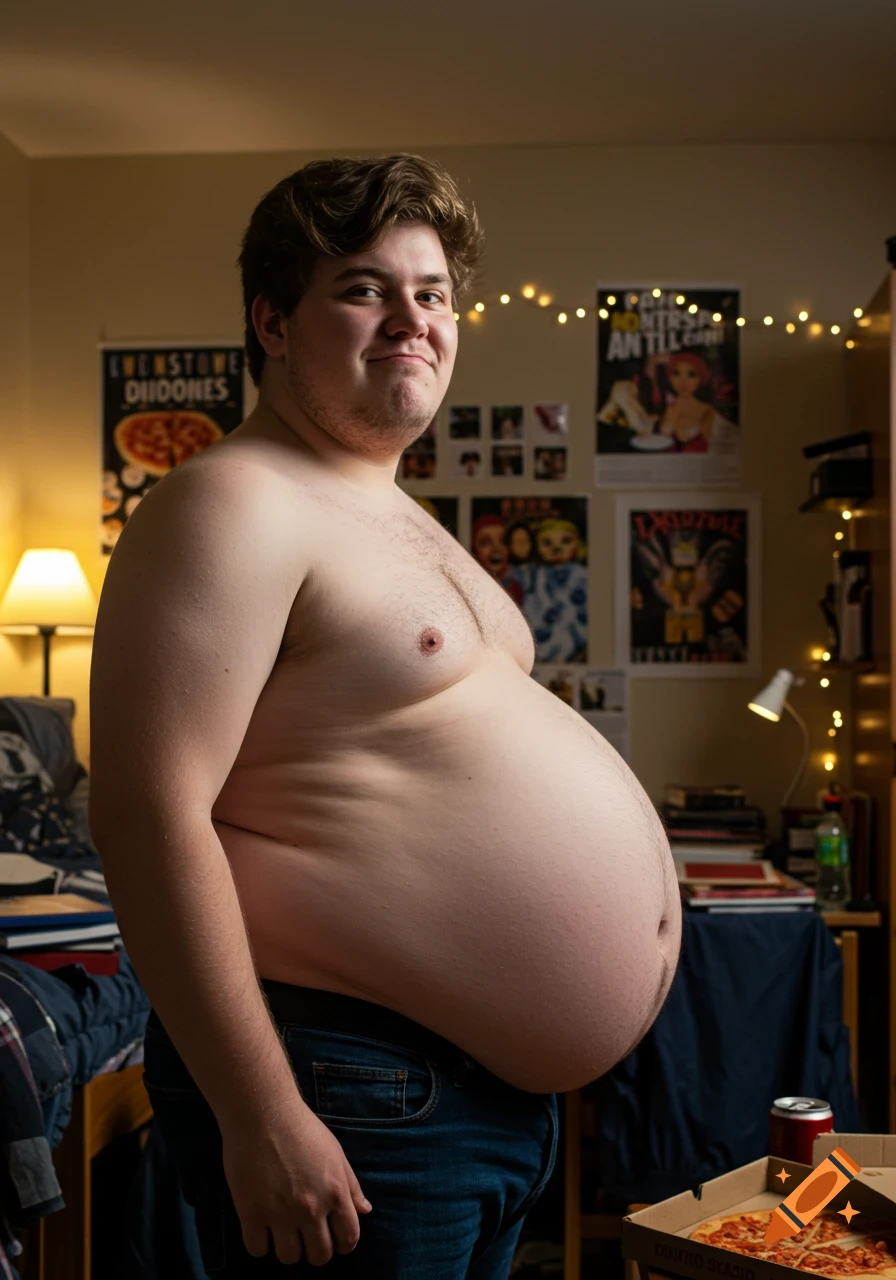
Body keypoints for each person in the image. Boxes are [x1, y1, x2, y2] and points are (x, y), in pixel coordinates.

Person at [89, 153, 681, 1278]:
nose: (412, 318)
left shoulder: (390, 509)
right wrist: (260, 1110)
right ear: (271, 319)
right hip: (347, 1089)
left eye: (433, 293)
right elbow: (145, 812)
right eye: (364, 287)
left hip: (469, 1103)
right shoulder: (229, 500)